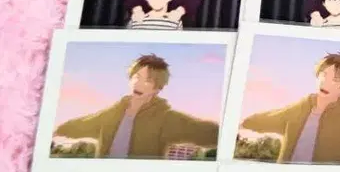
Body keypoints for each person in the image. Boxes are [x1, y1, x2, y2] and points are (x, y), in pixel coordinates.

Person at [238, 52, 340, 164]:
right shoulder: (298, 110)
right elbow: (268, 118)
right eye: (324, 75)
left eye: (335, 80)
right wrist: (241, 123)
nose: (325, 82)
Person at [52, 54, 218, 159]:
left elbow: (202, 130)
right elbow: (83, 124)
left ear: (157, 88)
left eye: (147, 81)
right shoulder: (113, 113)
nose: (138, 84)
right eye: (136, 77)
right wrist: (56, 130)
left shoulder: (165, 118)